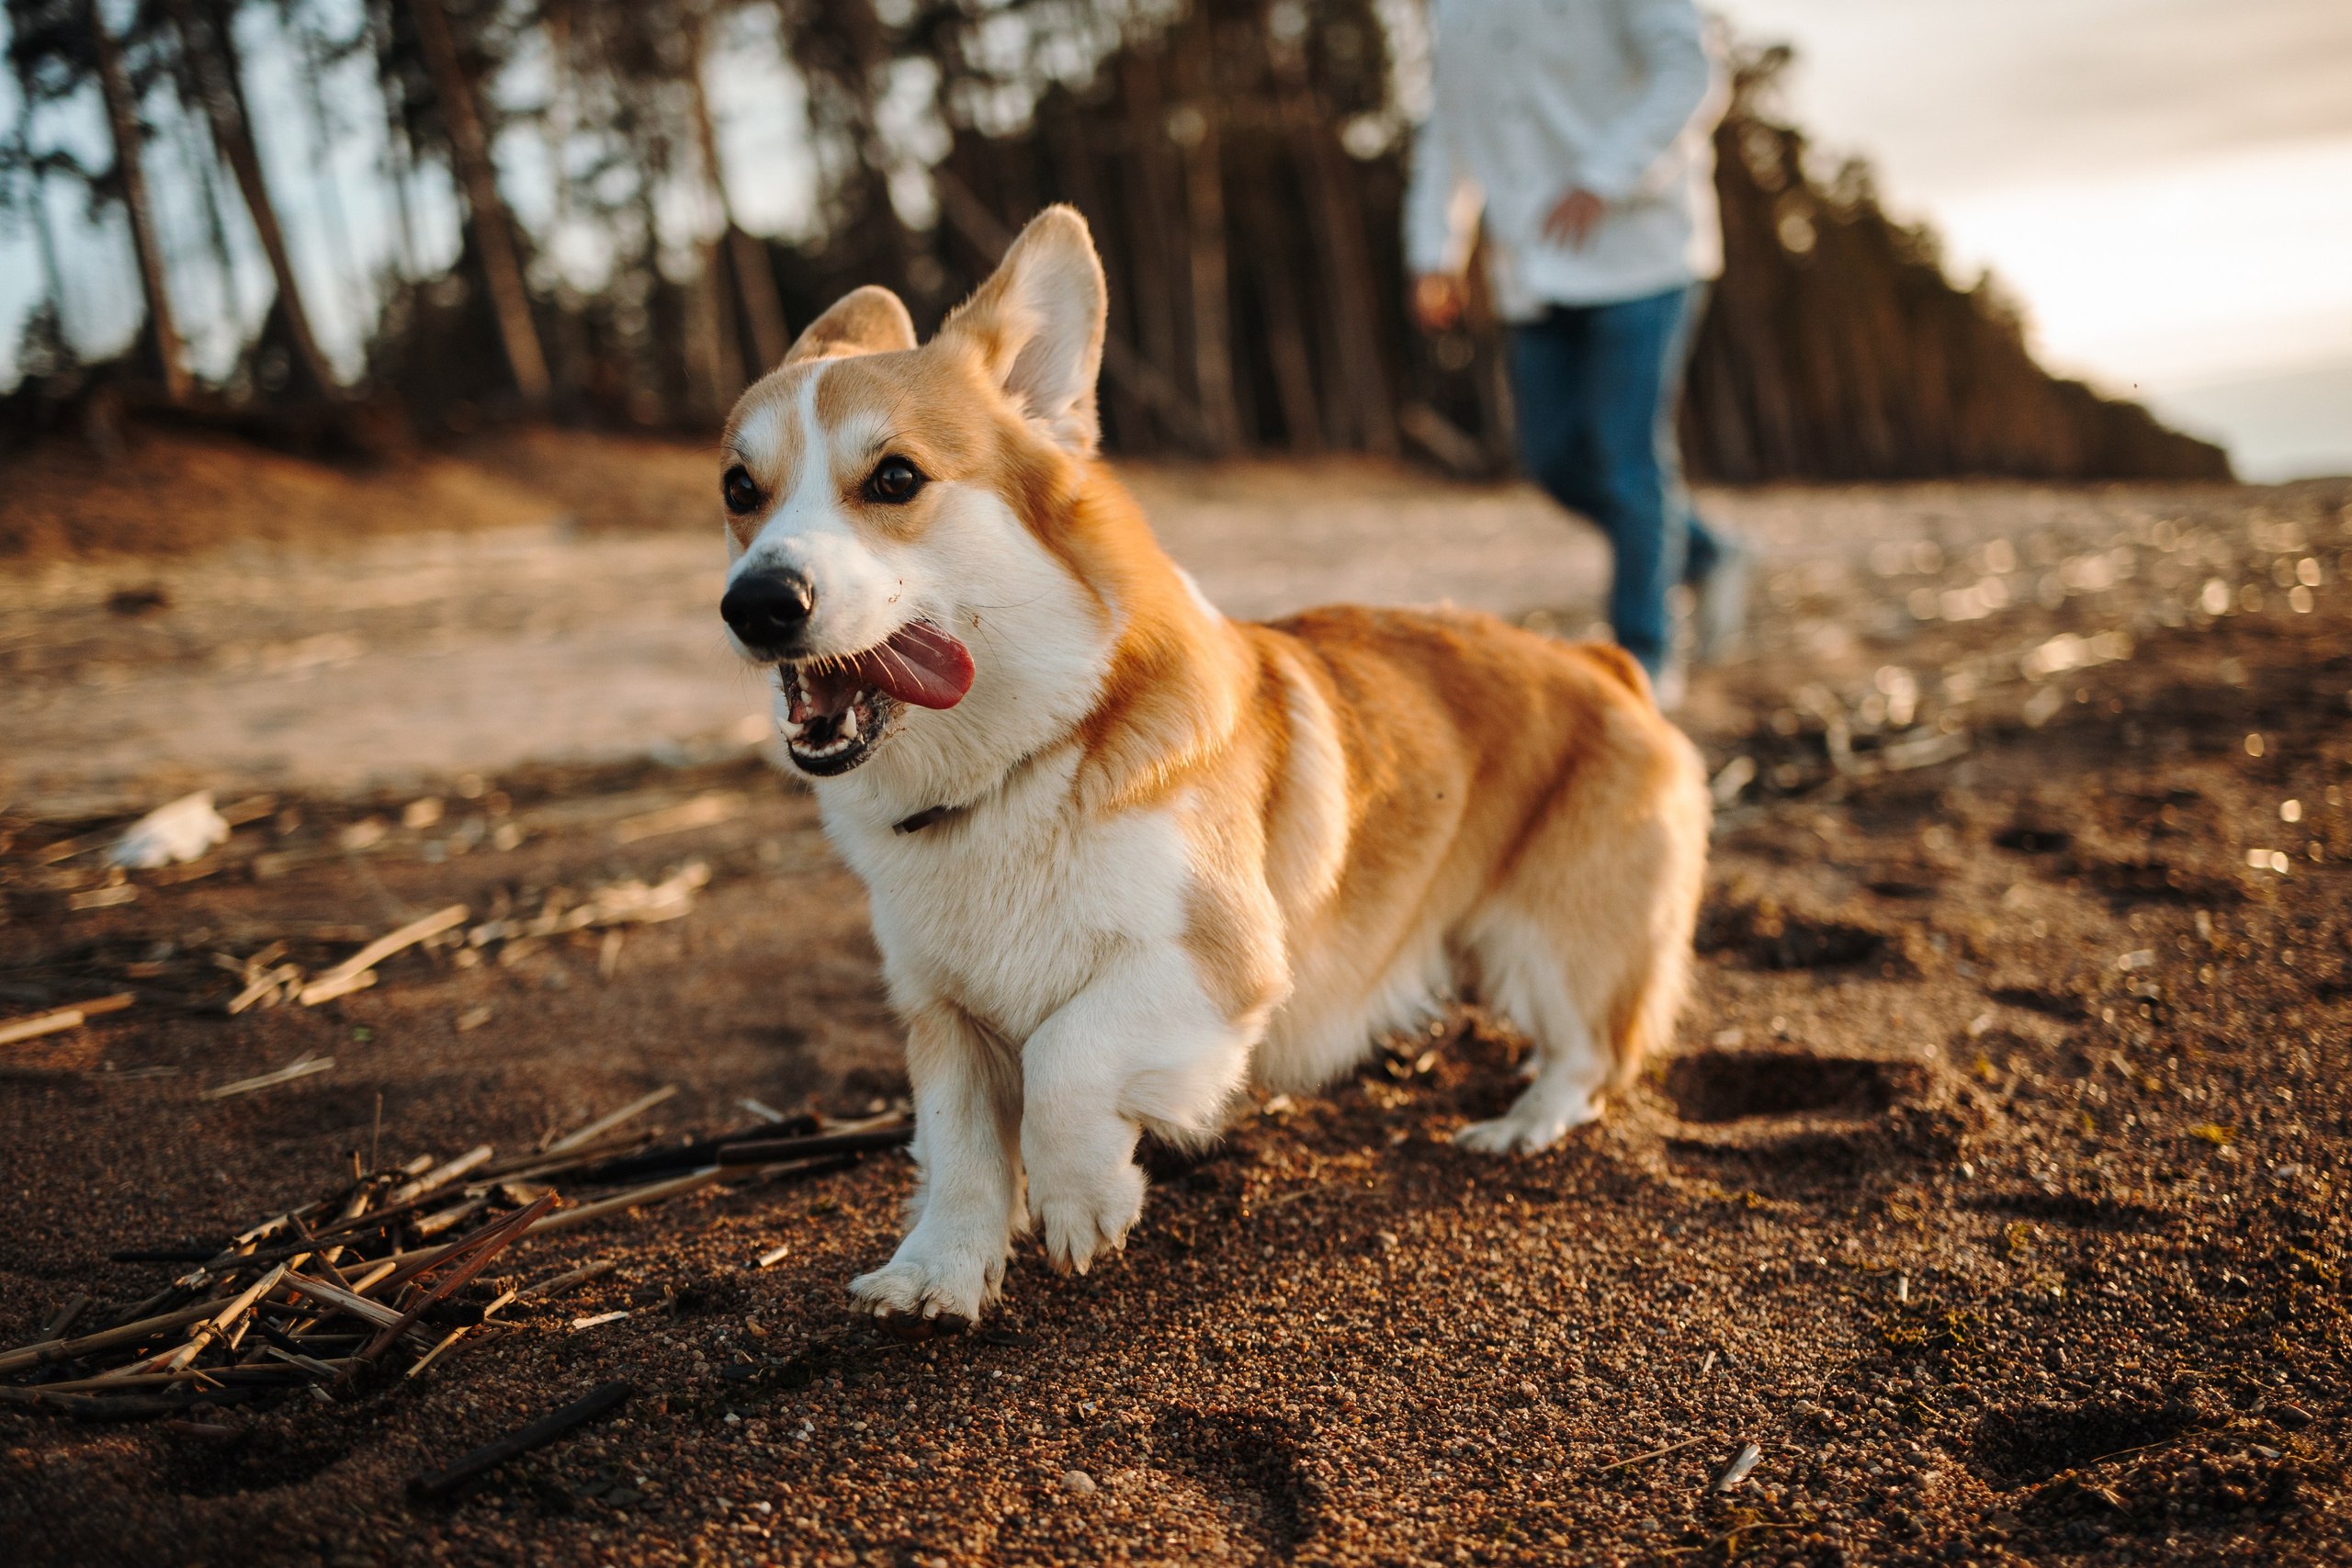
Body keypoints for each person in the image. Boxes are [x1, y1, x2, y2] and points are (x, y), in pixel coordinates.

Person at [1406, 0, 1747, 697]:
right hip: (1533, 262)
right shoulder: (1453, 11)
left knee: (1626, 457)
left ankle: (1645, 662)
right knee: (1556, 461)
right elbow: (1449, 129)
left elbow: (1689, 72)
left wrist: (1604, 176)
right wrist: (1437, 250)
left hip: (1643, 252)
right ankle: (1710, 552)